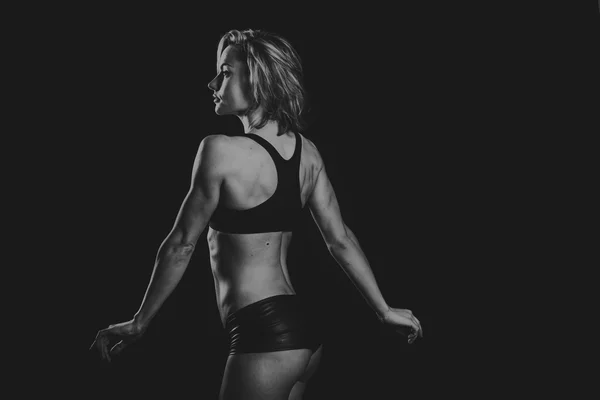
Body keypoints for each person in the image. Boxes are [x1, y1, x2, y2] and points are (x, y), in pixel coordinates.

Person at [90, 28, 423, 400]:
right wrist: (383, 309)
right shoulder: (308, 153)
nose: (213, 82)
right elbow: (340, 239)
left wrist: (139, 323)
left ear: (259, 79)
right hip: (301, 334)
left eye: (226, 71)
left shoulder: (219, 150)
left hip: (264, 335)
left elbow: (181, 245)